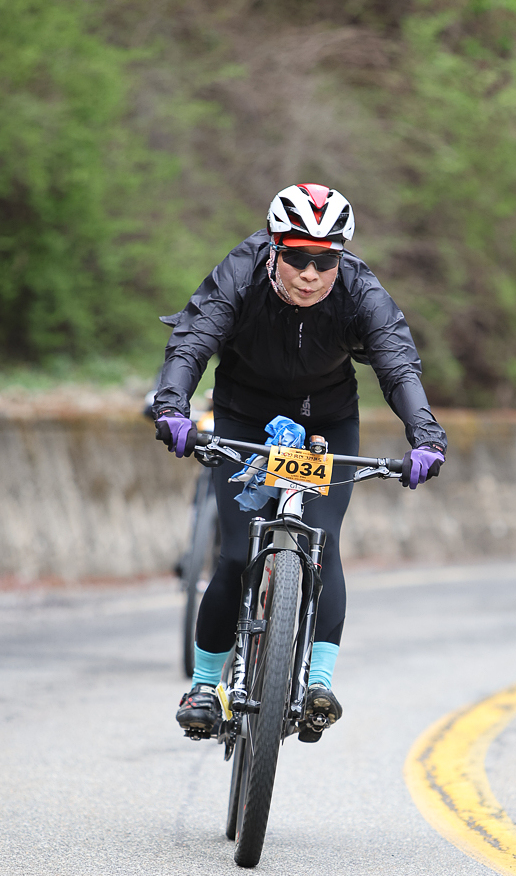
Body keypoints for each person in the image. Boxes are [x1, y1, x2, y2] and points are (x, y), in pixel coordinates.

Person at [151, 183, 447, 741]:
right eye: (296, 257)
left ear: (341, 257)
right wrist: (172, 407)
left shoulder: (360, 290)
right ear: (273, 249)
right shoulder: (240, 272)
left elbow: (398, 365)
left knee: (323, 542)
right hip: (244, 418)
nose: (310, 274)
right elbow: (192, 340)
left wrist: (426, 436)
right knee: (235, 554)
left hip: (325, 426)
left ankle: (318, 684)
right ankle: (205, 685)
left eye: (324, 260)